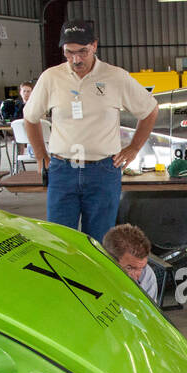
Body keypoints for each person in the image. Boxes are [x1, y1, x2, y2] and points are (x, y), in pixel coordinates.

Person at [21, 20, 159, 241]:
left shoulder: (116, 77)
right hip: (62, 171)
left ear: (95, 46)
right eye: (69, 53)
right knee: (59, 240)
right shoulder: (51, 78)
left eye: (82, 52)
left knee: (100, 242)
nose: (76, 59)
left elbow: (150, 110)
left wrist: (133, 148)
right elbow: (30, 117)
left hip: (103, 171)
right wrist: (40, 155)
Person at [102, 222, 158, 303]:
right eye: (130, 268)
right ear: (108, 260)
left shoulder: (146, 275)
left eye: (142, 267)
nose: (137, 277)